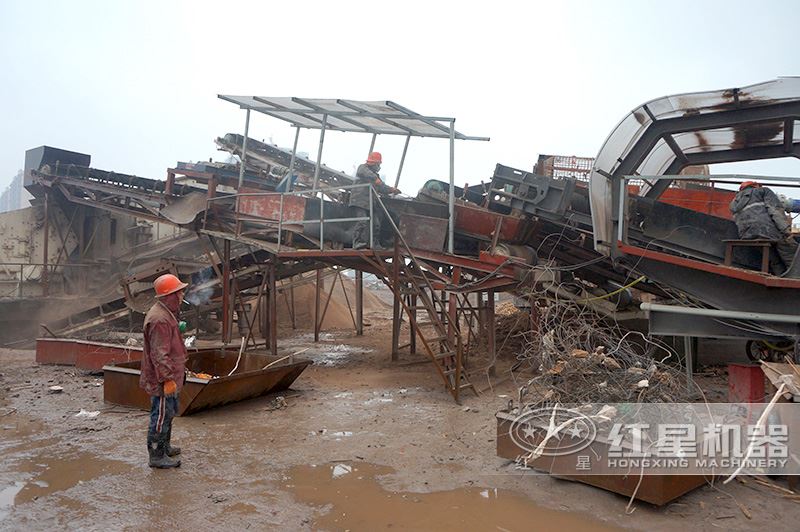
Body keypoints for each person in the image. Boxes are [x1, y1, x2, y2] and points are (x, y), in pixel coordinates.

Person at [140, 273, 189, 469]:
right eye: (179, 292)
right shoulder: (160, 319)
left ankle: (165, 446)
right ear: (169, 296)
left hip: (170, 375)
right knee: (160, 417)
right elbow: (160, 355)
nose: (182, 296)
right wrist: (167, 379)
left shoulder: (165, 314)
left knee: (167, 413)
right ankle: (157, 455)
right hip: (162, 379)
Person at [730, 181, 798, 274]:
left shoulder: (733, 203)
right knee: (791, 252)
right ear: (755, 186)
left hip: (748, 236)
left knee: (774, 260)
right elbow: (775, 211)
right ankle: (795, 278)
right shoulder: (763, 191)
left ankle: (780, 277)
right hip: (768, 231)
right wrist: (786, 230)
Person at [350, 151, 400, 249]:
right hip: (360, 201)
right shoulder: (362, 168)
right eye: (378, 164)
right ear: (373, 163)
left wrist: (391, 190)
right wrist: (376, 179)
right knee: (362, 222)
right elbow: (367, 174)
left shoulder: (375, 176)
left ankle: (374, 244)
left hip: (370, 203)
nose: (379, 166)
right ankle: (357, 243)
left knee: (376, 224)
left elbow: (381, 187)